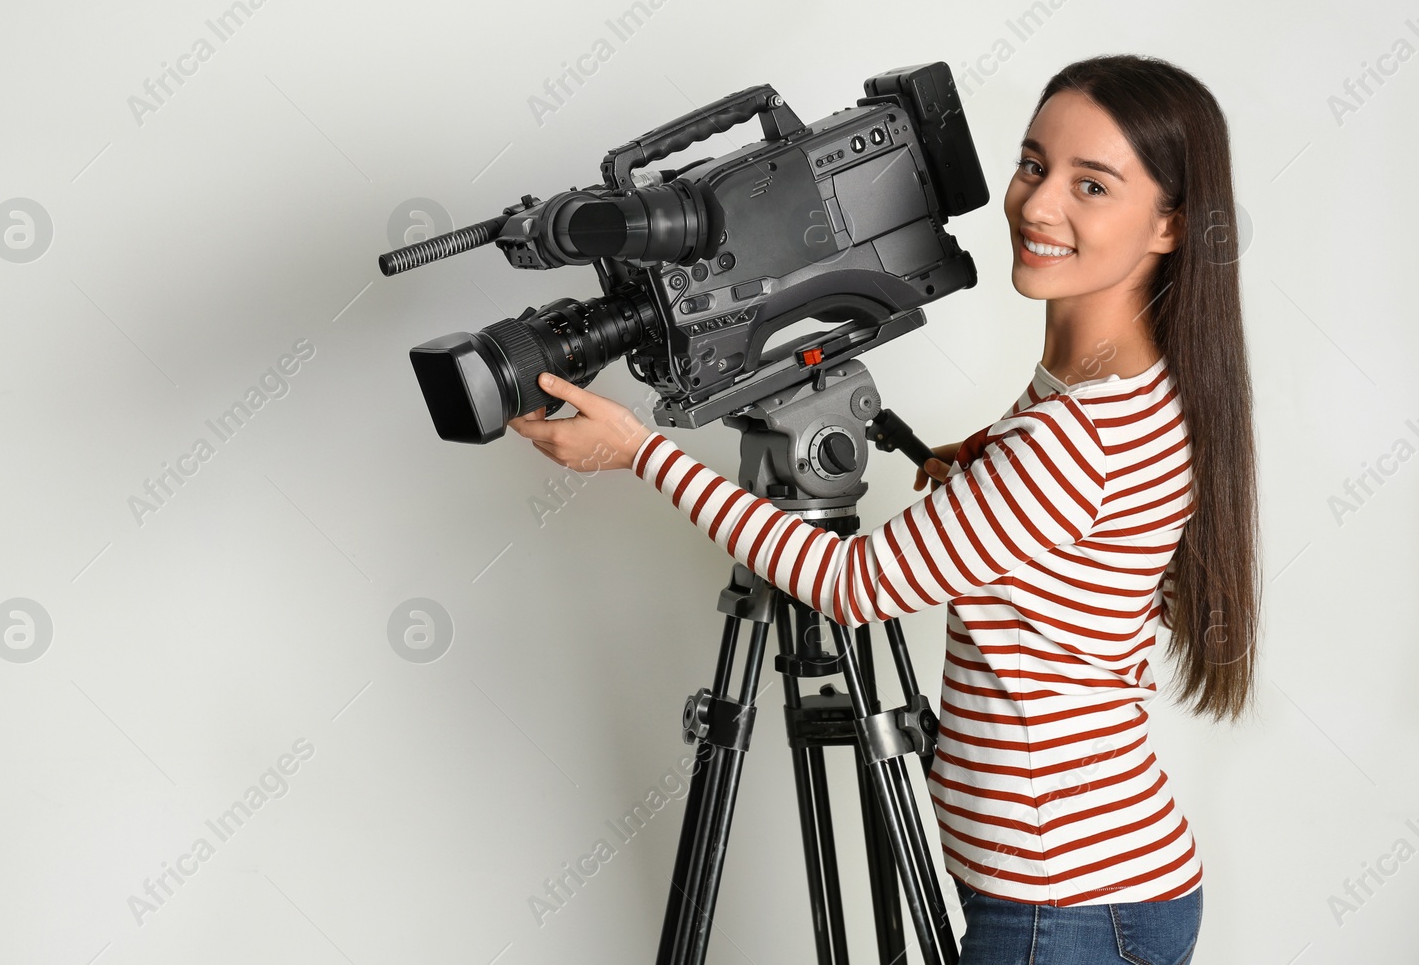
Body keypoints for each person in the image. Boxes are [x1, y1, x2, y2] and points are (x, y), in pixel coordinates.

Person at [508, 53, 1259, 965]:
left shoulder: (1072, 439)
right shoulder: (1121, 387)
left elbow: (853, 586)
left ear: (1171, 223)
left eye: (1092, 185)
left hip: (1061, 902)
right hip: (1100, 882)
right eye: (1033, 164)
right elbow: (1067, 501)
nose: (1038, 205)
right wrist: (987, 463)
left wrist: (640, 453)